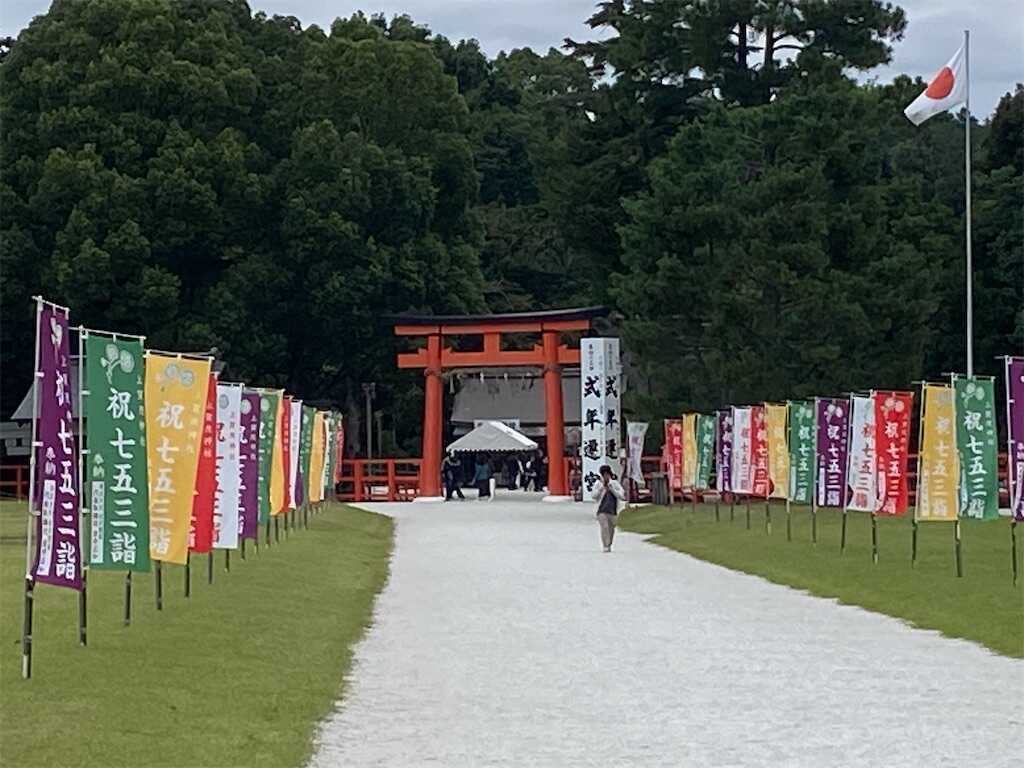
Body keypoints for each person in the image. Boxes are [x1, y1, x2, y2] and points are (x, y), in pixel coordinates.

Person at [593, 464, 625, 553]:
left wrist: (612, 489)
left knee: (611, 528)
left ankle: (609, 544)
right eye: (603, 474)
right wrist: (602, 488)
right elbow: (594, 496)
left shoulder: (615, 483)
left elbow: (622, 496)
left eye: (607, 474)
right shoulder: (598, 484)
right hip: (601, 510)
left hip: (613, 510)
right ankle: (605, 545)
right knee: (605, 527)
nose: (605, 476)